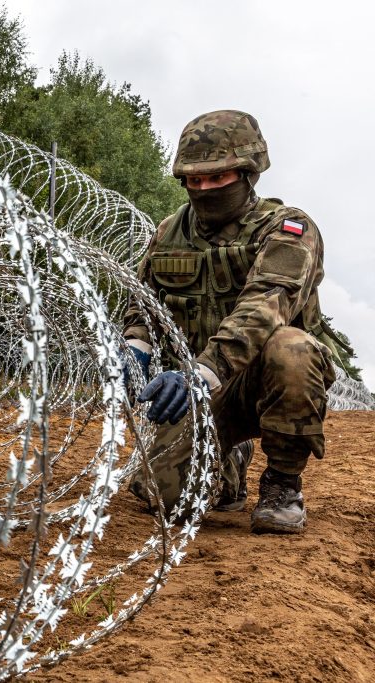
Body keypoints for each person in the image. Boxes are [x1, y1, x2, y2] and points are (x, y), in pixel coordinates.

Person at [121, 110, 346, 534]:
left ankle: (282, 485)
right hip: (198, 389)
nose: (204, 189)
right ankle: (228, 466)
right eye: (194, 180)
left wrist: (204, 370)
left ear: (248, 173)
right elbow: (143, 304)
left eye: (217, 177)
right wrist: (136, 347)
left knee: (292, 349)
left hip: (259, 378)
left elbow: (265, 304)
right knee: (163, 496)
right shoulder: (169, 232)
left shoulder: (288, 228)